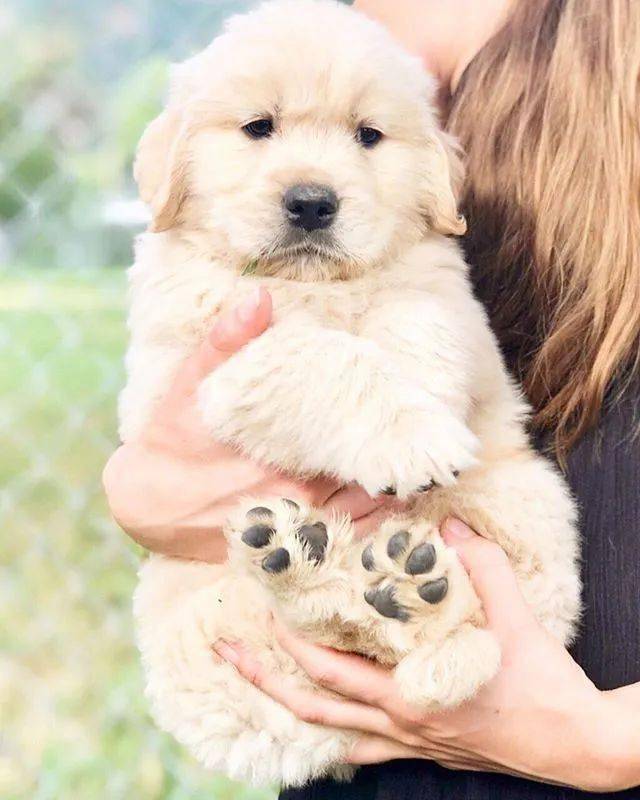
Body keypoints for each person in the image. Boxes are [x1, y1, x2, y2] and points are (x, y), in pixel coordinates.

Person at [103, 0, 640, 795]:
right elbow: (188, 424)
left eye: (364, 137)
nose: (313, 186)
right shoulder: (303, 46)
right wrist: (141, 493)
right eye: (259, 128)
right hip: (363, 747)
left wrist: (601, 740)